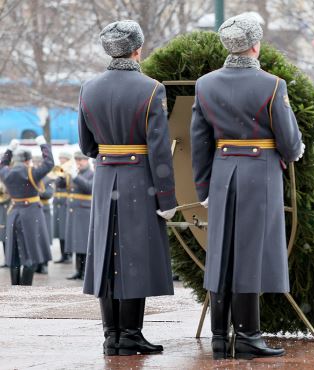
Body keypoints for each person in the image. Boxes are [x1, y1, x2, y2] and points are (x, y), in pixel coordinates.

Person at [191, 13, 303, 359]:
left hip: (223, 172)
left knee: (221, 252)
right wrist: (291, 151)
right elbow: (289, 140)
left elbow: (199, 142)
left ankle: (220, 337)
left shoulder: (205, 84)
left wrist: (204, 188)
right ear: (256, 45)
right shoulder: (272, 85)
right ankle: (249, 335)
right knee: (251, 254)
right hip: (260, 172)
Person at [78, 20, 177, 356]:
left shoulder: (88, 88)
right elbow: (160, 150)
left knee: (107, 255)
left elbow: (86, 146)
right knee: (135, 256)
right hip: (140, 178)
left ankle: (112, 335)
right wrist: (167, 197)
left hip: (106, 176)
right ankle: (131, 333)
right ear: (138, 49)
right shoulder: (151, 89)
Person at [0, 137, 54, 285]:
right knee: (31, 253)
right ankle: (25, 288)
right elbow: (50, 163)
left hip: (14, 213)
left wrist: (9, 150)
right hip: (31, 214)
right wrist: (43, 144)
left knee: (15, 253)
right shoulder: (32, 172)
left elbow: (2, 163)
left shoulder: (7, 172)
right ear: (28, 161)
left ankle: (15, 286)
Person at [63, 151, 93, 280]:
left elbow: (89, 187)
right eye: (77, 160)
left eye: (81, 160)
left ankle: (86, 272)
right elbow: (61, 186)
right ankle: (78, 271)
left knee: (84, 244)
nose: (79, 162)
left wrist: (75, 177)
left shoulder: (92, 173)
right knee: (76, 243)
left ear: (87, 161)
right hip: (75, 212)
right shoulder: (77, 173)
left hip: (84, 212)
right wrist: (62, 176)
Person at [32, 155, 54, 275]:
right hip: (33, 211)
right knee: (35, 239)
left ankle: (44, 264)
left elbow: (49, 194)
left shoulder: (48, 178)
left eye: (38, 163)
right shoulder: (30, 177)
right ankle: (37, 263)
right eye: (34, 163)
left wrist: (37, 191)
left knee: (44, 239)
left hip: (44, 210)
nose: (36, 165)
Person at [53, 151, 73, 264]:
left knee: (66, 230)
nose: (61, 160)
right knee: (60, 231)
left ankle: (68, 255)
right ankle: (63, 255)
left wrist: (62, 174)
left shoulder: (69, 171)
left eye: (63, 158)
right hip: (58, 204)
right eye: (60, 158)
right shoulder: (59, 169)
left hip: (66, 204)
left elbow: (64, 183)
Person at [0, 179, 10, 267]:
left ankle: (10, 260)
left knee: (9, 238)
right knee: (3, 238)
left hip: (8, 212)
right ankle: (7, 260)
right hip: (1, 212)